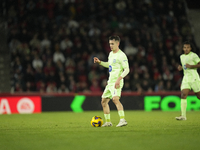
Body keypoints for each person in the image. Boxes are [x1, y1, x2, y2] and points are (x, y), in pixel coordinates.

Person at [93, 35, 130, 127]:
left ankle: (123, 120)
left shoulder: (121, 55)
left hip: (116, 82)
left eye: (112, 44)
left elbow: (127, 69)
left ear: (118, 43)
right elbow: (109, 65)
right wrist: (100, 62)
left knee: (115, 99)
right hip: (110, 82)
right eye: (110, 44)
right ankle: (108, 122)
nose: (111, 45)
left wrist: (119, 79)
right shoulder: (111, 54)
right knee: (104, 102)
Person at [176, 41, 200, 120]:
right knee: (183, 95)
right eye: (185, 47)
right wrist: (181, 68)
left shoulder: (194, 55)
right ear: (183, 48)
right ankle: (183, 116)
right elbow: (185, 66)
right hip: (186, 78)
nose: (186, 49)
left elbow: (199, 64)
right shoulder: (181, 56)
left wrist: (191, 66)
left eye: (188, 47)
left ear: (190, 48)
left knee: (199, 96)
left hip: (194, 77)